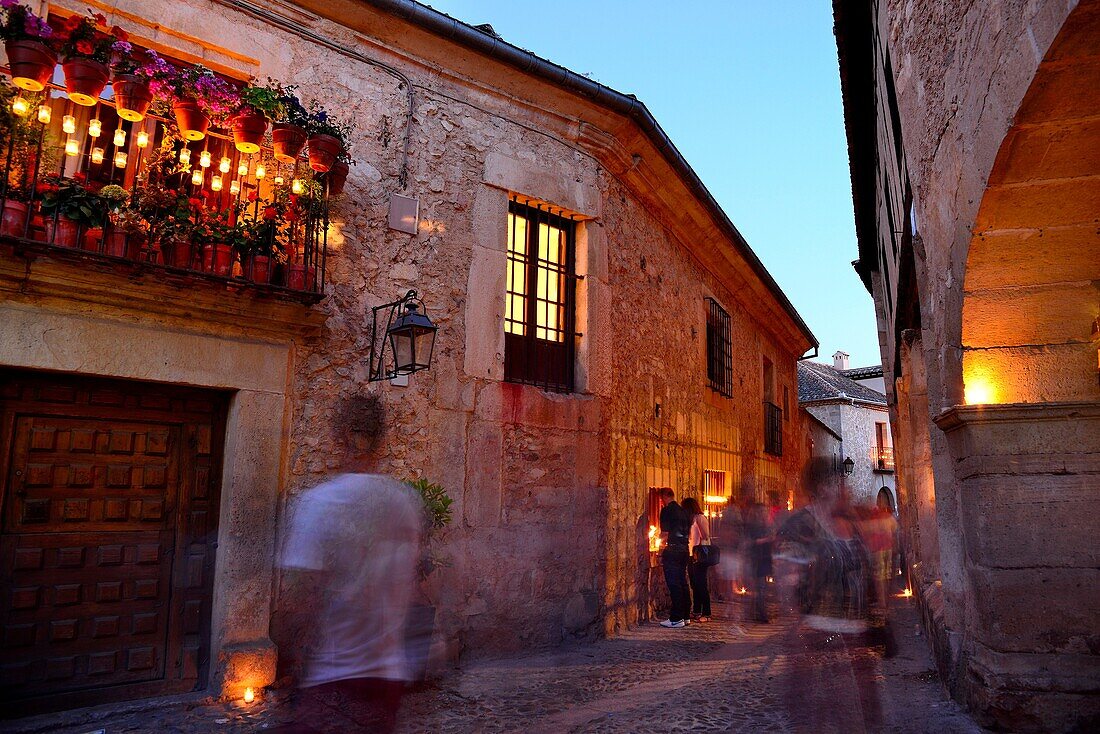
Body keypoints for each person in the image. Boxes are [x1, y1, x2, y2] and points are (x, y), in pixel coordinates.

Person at [657, 487, 692, 628]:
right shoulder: (683, 511)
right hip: (684, 550)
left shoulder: (667, 510)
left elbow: (665, 533)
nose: (661, 503)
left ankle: (676, 618)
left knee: (674, 583)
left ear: (664, 497)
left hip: (672, 550)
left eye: (661, 500)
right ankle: (685, 615)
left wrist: (660, 550)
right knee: (683, 582)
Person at [683, 497, 712, 622]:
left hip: (699, 555)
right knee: (694, 584)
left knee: (701, 584)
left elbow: (705, 535)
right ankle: (696, 610)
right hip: (691, 554)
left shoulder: (700, 518)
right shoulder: (692, 519)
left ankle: (707, 613)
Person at [745, 502, 773, 623]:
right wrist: (767, 539)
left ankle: (757, 612)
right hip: (756, 558)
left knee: (761, 587)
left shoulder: (766, 525)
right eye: (762, 511)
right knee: (759, 587)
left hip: (764, 558)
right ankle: (761, 614)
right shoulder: (752, 526)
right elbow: (751, 542)